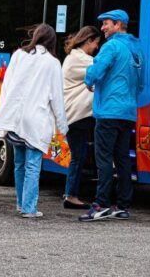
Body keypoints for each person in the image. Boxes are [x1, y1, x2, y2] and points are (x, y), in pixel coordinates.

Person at [0, 24, 69, 218]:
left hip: (15, 118)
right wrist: (63, 126)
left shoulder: (19, 55)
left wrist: (2, 113)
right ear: (52, 41)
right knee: (33, 165)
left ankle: (21, 204)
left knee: (19, 163)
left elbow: (7, 86)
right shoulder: (53, 63)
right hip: (36, 120)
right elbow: (56, 98)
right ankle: (29, 208)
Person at [79, 10, 143, 222]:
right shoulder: (136, 49)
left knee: (104, 158)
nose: (103, 28)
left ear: (118, 25)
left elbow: (96, 69)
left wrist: (89, 81)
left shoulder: (112, 46)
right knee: (123, 159)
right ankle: (122, 205)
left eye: (106, 24)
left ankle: (100, 204)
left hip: (108, 111)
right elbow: (141, 83)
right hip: (128, 112)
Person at [61, 26, 101, 209]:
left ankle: (72, 193)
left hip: (75, 115)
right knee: (78, 156)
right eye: (96, 43)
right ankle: (71, 195)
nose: (97, 48)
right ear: (88, 41)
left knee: (80, 155)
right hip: (77, 115)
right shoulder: (80, 59)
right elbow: (100, 68)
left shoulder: (74, 57)